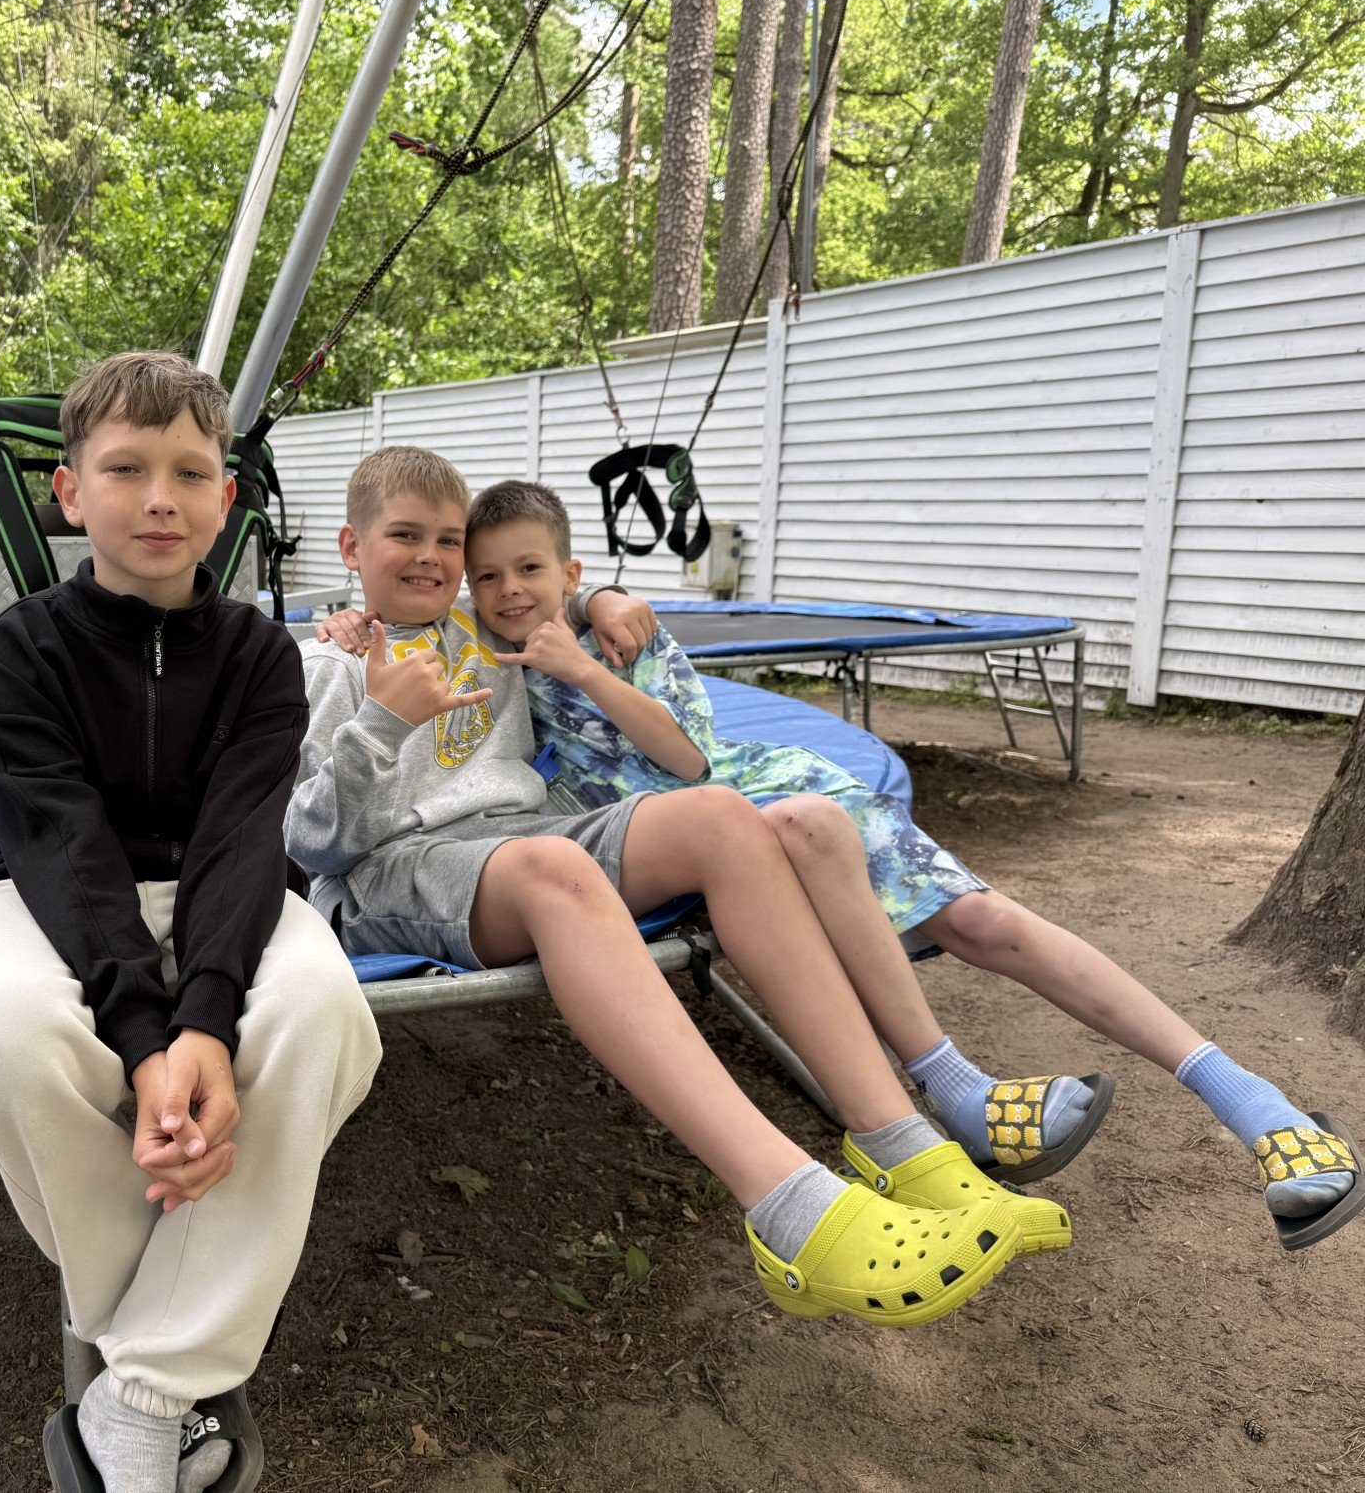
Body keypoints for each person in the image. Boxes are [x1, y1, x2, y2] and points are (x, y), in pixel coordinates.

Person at [451, 475, 1360, 1252]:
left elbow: (688, 758)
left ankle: (1252, 1101)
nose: (509, 590)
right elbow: (413, 606)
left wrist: (593, 641)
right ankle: (956, 1093)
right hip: (690, 838)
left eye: (530, 569)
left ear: (569, 572)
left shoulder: (622, 637)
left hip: (750, 789)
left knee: (974, 917)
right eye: (487, 576)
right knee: (807, 839)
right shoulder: (483, 651)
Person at [288, 445, 1061, 1337]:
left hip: (520, 834)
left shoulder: (482, 633)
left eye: (447, 540)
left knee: (720, 818)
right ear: (352, 546)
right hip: (391, 867)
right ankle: (789, 1206)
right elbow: (311, 840)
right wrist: (381, 719)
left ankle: (902, 1143)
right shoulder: (332, 663)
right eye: (403, 537)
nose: (429, 556)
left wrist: (601, 598)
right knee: (558, 871)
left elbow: (541, 581)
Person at [0, 352, 382, 1493]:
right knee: (5, 1038)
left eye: (189, 473)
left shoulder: (258, 655)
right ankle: (182, 1346)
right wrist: (147, 1042)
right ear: (69, 491)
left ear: (226, 499)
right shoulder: (21, 648)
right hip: (44, 889)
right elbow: (61, 842)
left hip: (221, 890)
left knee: (325, 1012)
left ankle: (136, 1395)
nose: (159, 499)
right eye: (125, 469)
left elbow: (241, 836)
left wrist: (207, 1024)